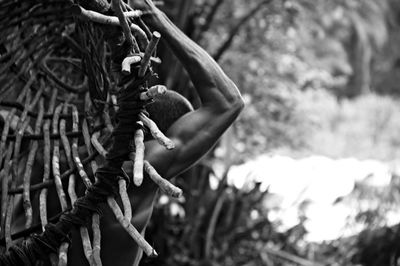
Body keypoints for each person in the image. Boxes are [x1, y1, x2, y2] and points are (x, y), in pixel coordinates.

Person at [11, 0, 244, 265]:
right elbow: (229, 102)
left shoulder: (67, 159)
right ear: (160, 138)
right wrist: (158, 20)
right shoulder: (138, 175)